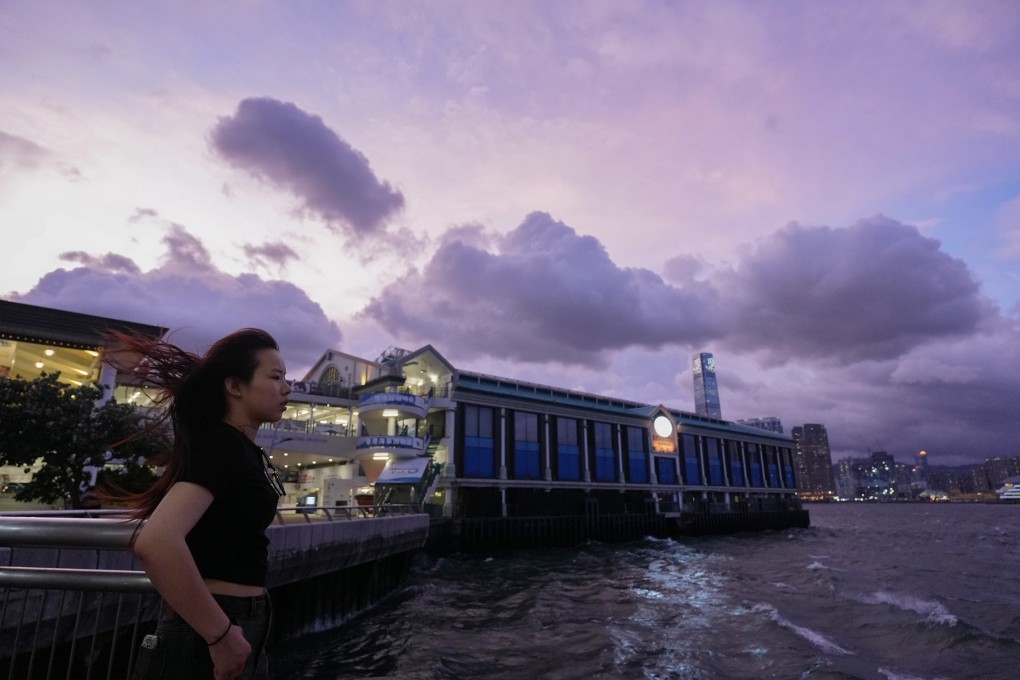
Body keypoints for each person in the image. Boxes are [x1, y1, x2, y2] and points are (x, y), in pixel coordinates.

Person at [106, 328, 291, 680]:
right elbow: (156, 542)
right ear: (235, 386)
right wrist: (220, 635)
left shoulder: (242, 449)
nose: (287, 388)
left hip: (234, 623)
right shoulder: (223, 446)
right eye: (275, 377)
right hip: (212, 629)